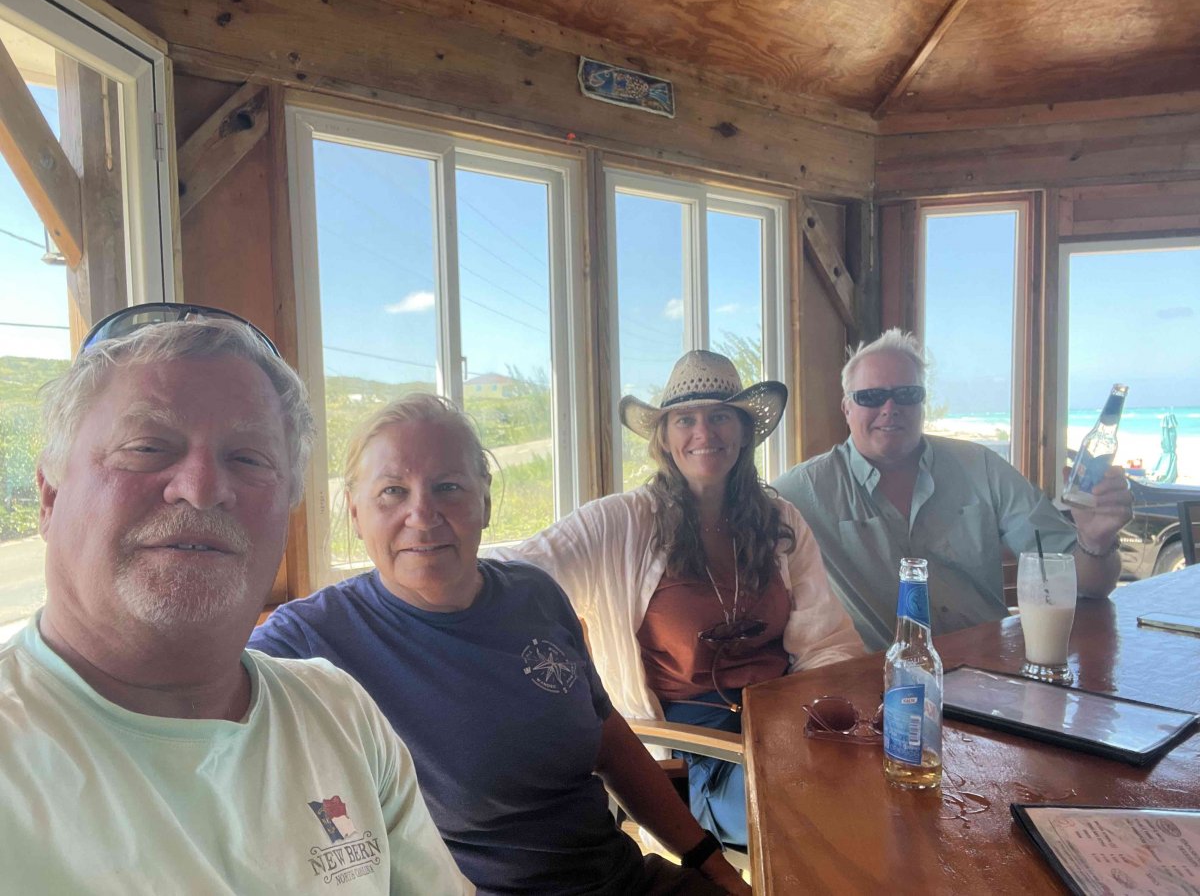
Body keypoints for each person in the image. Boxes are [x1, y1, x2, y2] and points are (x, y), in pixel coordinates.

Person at [0, 304, 470, 894]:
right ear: (49, 497)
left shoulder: (339, 714)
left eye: (248, 458)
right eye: (147, 447)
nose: (201, 489)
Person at [250, 394, 749, 896]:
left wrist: (710, 862)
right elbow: (208, 711)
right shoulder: (312, 636)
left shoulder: (535, 595)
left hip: (623, 879)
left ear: (485, 502)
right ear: (356, 513)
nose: (422, 514)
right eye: (392, 491)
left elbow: (609, 742)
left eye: (448, 487)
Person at [493, 350, 863, 851]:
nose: (704, 432)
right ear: (664, 438)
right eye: (686, 419)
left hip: (786, 728)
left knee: (877, 783)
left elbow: (825, 641)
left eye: (721, 416)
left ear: (744, 432)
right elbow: (516, 572)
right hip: (693, 754)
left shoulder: (780, 521)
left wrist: (824, 720)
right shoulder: (621, 523)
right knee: (806, 811)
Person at [772, 328, 1134, 651]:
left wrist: (1096, 540)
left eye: (907, 394)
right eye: (871, 396)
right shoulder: (802, 491)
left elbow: (1089, 585)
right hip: (877, 684)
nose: (890, 408)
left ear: (922, 403)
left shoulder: (982, 468)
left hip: (990, 671)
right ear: (846, 408)